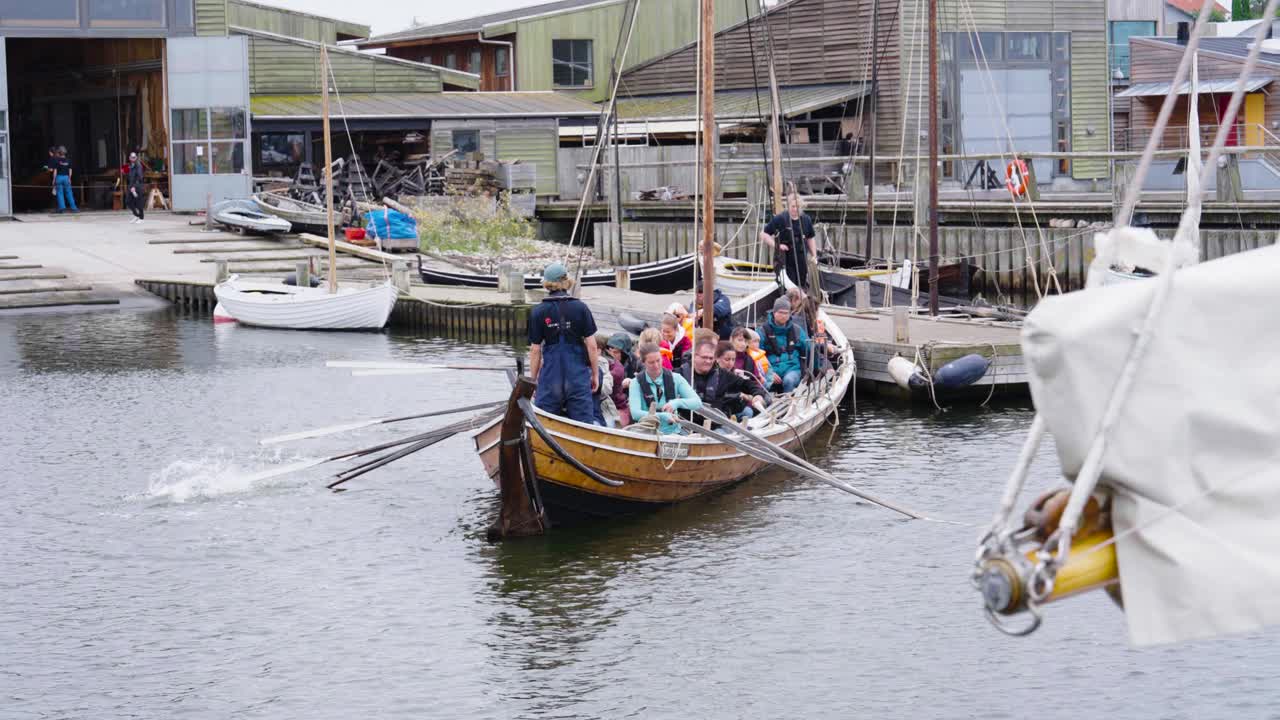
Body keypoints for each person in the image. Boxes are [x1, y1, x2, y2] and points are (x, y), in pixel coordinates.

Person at [528, 262, 599, 423]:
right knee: (585, 427)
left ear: (547, 284)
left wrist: (533, 380)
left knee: (543, 423)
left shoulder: (538, 312)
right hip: (577, 378)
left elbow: (535, 350)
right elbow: (592, 346)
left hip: (551, 379)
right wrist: (595, 374)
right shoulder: (581, 308)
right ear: (566, 281)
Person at [628, 342, 702, 435]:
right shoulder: (635, 383)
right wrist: (661, 416)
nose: (656, 365)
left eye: (658, 360)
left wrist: (676, 403)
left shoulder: (676, 378)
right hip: (646, 433)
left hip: (674, 433)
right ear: (643, 362)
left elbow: (697, 402)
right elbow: (635, 414)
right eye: (651, 362)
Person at [759, 192, 816, 289]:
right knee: (790, 288)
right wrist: (777, 246)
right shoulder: (780, 219)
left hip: (801, 260)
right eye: (793, 206)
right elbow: (763, 234)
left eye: (797, 206)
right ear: (788, 206)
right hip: (785, 261)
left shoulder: (806, 220)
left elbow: (810, 238)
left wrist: (814, 255)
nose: (795, 209)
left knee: (801, 285)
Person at [757, 296, 811, 393]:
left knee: (789, 381)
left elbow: (809, 348)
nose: (783, 316)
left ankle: (788, 404)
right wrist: (769, 373)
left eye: (786, 313)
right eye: (780, 312)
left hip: (792, 368)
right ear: (774, 313)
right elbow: (756, 355)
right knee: (764, 383)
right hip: (771, 369)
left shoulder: (797, 330)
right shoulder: (762, 332)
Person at [713, 341, 768, 420]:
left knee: (748, 411)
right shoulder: (712, 374)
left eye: (733, 359)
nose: (731, 363)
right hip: (717, 413)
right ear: (717, 358)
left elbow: (747, 384)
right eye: (727, 359)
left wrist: (757, 394)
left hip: (731, 409)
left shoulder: (732, 374)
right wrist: (739, 395)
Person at [604, 333, 634, 427]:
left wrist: (632, 382)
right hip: (606, 403)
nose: (611, 354)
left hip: (625, 404)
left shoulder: (636, 363)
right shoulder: (604, 363)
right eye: (610, 351)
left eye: (616, 352)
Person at [590, 334, 618, 427]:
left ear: (598, 351)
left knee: (610, 426)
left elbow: (607, 388)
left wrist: (595, 385)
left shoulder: (602, 363)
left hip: (603, 406)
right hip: (588, 407)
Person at [52, 147, 78, 214]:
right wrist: (69, 178)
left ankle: (62, 209)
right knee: (69, 193)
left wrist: (54, 179)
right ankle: (74, 208)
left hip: (59, 177)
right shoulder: (68, 160)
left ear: (59, 153)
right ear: (65, 153)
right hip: (66, 178)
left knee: (60, 193)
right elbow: (70, 170)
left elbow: (55, 171)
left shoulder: (56, 161)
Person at [125, 152, 146, 223]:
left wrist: (134, 187)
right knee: (128, 201)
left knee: (138, 202)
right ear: (129, 158)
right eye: (132, 157)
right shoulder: (131, 165)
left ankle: (141, 218)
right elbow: (130, 176)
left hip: (137, 186)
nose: (133, 158)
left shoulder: (138, 165)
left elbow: (139, 177)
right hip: (131, 186)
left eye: (134, 157)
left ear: (136, 157)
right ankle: (136, 215)